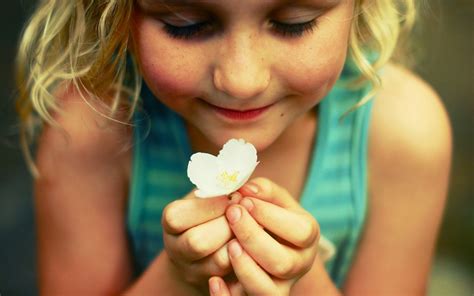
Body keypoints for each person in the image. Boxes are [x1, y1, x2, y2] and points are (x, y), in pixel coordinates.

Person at [15, 0, 452, 295]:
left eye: (294, 23)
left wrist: (301, 279)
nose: (241, 80)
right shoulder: (90, 129)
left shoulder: (404, 133)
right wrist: (176, 276)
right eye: (185, 25)